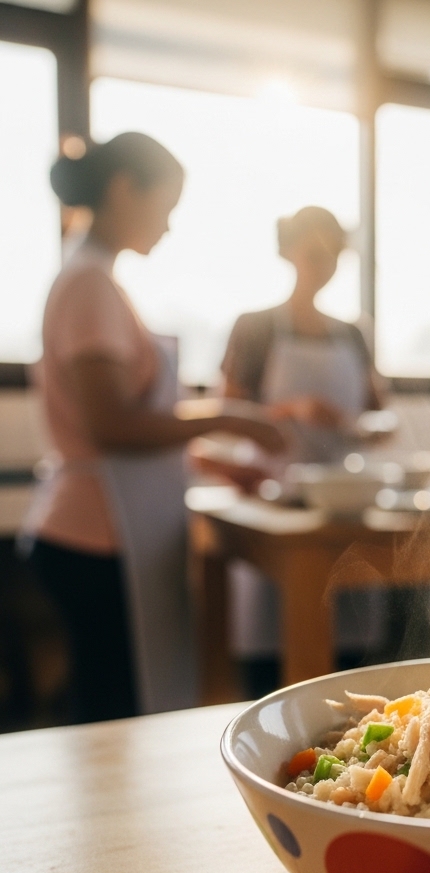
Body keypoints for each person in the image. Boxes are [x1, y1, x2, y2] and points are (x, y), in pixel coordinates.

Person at [24, 132, 284, 722]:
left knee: (113, 705)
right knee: (111, 716)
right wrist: (226, 416)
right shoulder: (89, 284)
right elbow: (112, 425)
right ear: (123, 190)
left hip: (102, 524)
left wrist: (220, 464)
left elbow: (133, 439)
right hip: (94, 534)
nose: (167, 227)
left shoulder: (94, 279)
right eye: (164, 208)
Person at [218, 207, 386, 694]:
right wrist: (291, 410)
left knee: (349, 649)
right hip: (275, 499)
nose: (323, 264)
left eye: (333, 254)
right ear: (289, 252)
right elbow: (228, 410)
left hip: (343, 503)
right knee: (274, 639)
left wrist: (348, 424)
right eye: (314, 253)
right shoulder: (255, 327)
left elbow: (379, 421)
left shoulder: (354, 334)